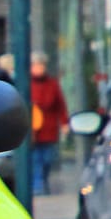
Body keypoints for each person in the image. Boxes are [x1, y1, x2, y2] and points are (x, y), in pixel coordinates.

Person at [29, 52, 71, 195]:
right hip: (33, 131)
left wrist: (65, 123)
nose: (38, 68)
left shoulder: (52, 84)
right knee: (36, 160)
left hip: (49, 129)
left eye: (41, 65)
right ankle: (38, 186)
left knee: (47, 159)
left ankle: (43, 181)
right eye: (36, 65)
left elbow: (60, 105)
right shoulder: (26, 84)